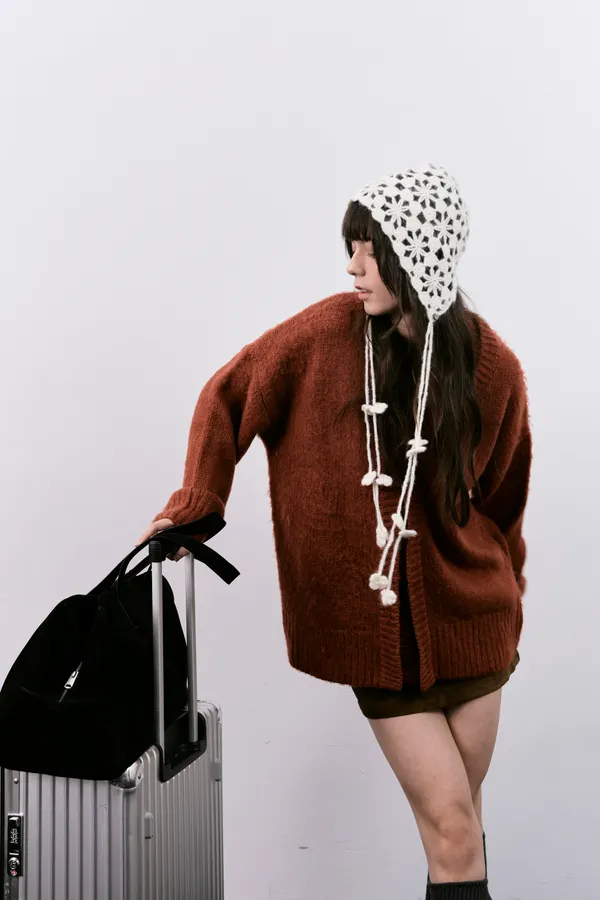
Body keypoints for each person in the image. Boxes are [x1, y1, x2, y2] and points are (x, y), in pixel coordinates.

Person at [137, 164, 531, 900]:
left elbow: (504, 504)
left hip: (476, 626)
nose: (352, 267)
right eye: (350, 249)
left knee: (460, 825)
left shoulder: (491, 367)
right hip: (380, 640)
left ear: (418, 255)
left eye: (370, 252)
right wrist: (199, 501)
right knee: (454, 827)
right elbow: (228, 394)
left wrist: (513, 599)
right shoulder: (322, 337)